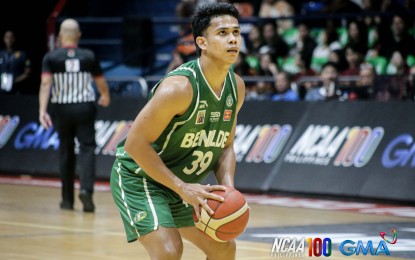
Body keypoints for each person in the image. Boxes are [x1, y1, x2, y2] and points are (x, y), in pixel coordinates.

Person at [110, 2, 245, 259]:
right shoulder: (178, 89)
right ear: (202, 43)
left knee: (224, 248)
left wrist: (228, 190)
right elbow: (134, 145)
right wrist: (181, 187)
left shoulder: (236, 87)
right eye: (223, 33)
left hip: (185, 184)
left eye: (236, 32)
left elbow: (225, 145)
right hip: (141, 178)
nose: (232, 39)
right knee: (169, 250)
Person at [38, 18, 111, 212]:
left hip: (61, 109)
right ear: (78, 36)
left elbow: (46, 84)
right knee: (87, 149)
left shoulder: (51, 57)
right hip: (84, 107)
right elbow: (100, 81)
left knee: (66, 152)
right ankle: (86, 191)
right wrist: (105, 96)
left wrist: (41, 111)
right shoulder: (88, 56)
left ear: (60, 36)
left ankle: (67, 200)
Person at [0, 30, 32, 94]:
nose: (9, 40)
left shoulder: (22, 54)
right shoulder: (1, 54)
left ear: (14, 39)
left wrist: (14, 81)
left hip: (17, 89)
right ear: (4, 39)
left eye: (11, 37)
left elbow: (28, 72)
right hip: (1, 90)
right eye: (7, 37)